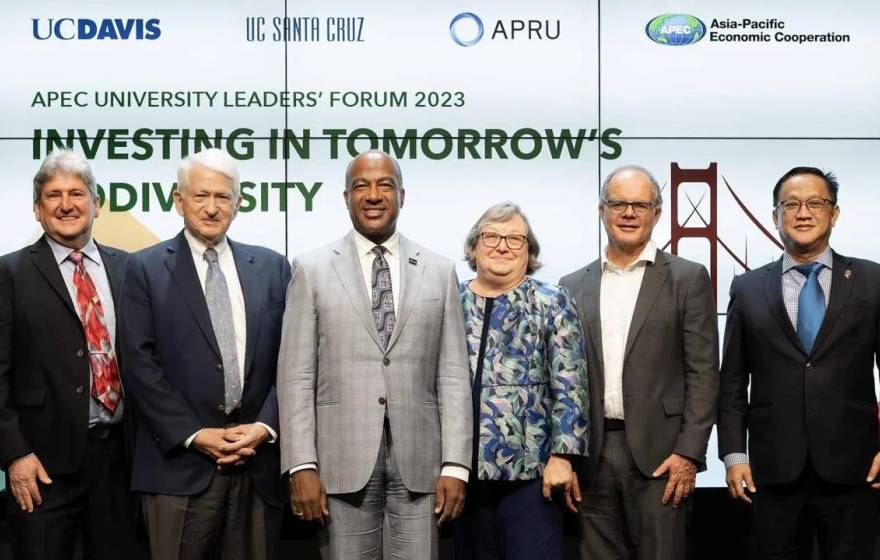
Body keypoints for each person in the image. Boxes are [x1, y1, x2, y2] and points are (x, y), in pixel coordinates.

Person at [278, 149, 472, 559]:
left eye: (385, 185)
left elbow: (453, 375)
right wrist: (300, 464)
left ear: (403, 195)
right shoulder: (311, 269)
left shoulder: (439, 270)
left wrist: (456, 464)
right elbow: (296, 376)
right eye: (361, 186)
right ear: (345, 197)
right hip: (339, 462)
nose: (373, 195)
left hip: (422, 464)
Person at [119, 148, 290, 559]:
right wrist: (195, 435)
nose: (212, 208)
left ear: (239, 202)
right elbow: (138, 363)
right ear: (179, 201)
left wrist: (264, 427)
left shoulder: (272, 268)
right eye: (200, 196)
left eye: (222, 197)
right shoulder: (143, 269)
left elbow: (294, 361)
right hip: (178, 467)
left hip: (257, 464)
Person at [718, 167, 880, 559]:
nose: (803, 212)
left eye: (815, 203)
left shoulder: (872, 280)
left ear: (834, 213)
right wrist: (734, 455)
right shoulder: (748, 287)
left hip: (854, 467)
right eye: (790, 204)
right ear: (775, 216)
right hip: (774, 470)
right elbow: (733, 382)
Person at [560, 165, 719, 559]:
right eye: (618, 203)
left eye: (640, 204)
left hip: (662, 457)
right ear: (602, 211)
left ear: (657, 213)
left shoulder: (688, 277)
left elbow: (703, 374)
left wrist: (688, 454)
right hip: (592, 456)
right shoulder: (572, 284)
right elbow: (562, 378)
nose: (628, 212)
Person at [0, 149, 136, 558]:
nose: (66, 205)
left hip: (120, 460)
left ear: (97, 204)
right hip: (41, 465)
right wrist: (15, 454)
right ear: (37, 210)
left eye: (77, 193)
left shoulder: (130, 268)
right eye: (53, 196)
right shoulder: (9, 273)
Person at [455, 202, 589, 560]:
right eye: (492, 237)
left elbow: (570, 383)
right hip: (461, 475)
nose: (502, 246)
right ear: (473, 246)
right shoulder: (451, 301)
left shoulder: (552, 301)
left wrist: (563, 457)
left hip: (531, 477)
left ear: (529, 251)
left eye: (515, 239)